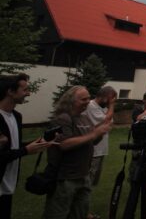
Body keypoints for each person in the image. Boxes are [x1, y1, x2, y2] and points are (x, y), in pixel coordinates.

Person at [44, 86, 112, 219]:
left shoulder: (84, 118)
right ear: (71, 101)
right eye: (83, 99)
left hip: (83, 176)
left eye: (88, 98)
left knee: (79, 213)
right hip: (65, 178)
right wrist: (93, 134)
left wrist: (100, 133)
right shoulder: (63, 119)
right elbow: (64, 144)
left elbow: (92, 142)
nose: (88, 101)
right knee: (58, 214)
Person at [0, 74, 52, 218]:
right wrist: (26, 151)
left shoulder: (16, 116)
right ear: (10, 91)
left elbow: (13, 147)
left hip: (8, 184)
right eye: (25, 90)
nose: (28, 93)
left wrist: (38, 143)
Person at [84, 86, 117, 188]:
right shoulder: (91, 106)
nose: (112, 101)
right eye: (111, 99)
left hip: (101, 149)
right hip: (93, 149)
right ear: (104, 97)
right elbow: (107, 120)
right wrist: (111, 105)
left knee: (93, 179)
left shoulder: (103, 108)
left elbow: (110, 121)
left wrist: (107, 118)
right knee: (88, 178)